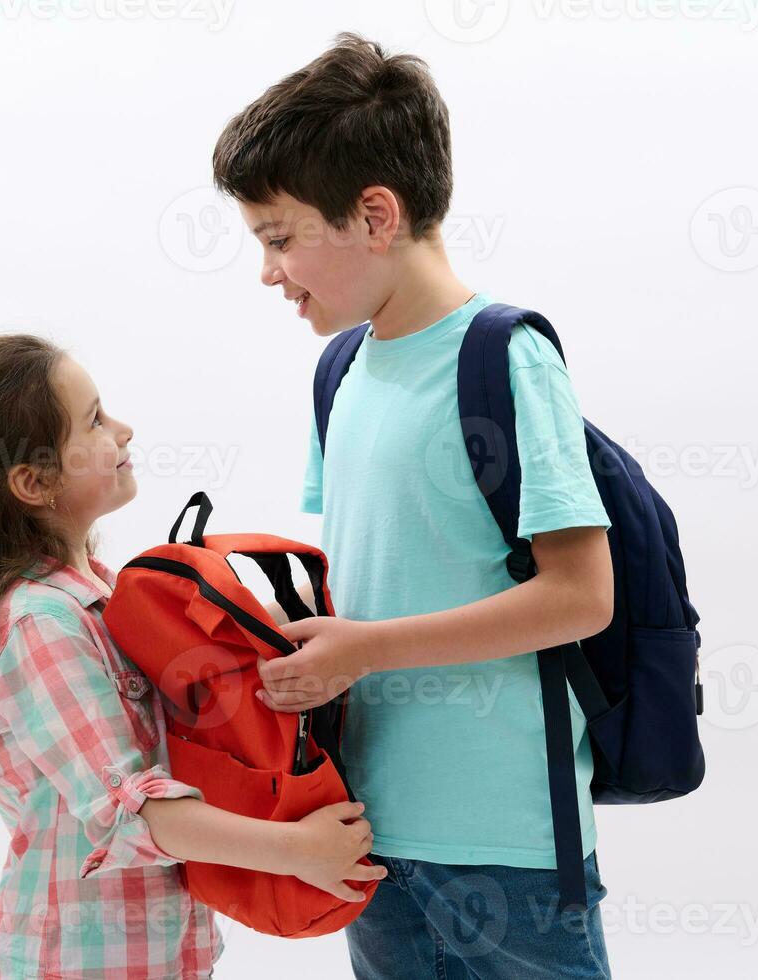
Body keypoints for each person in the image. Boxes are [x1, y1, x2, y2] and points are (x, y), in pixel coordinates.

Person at [214, 34, 616, 979]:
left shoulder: (504, 358)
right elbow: (372, 577)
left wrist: (367, 647)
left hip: (506, 838)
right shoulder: (342, 370)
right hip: (365, 827)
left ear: (374, 214)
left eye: (279, 237)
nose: (269, 271)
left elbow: (579, 596)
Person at [0, 334, 386, 979]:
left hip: (155, 954)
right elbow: (132, 811)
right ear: (33, 481)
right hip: (84, 962)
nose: (124, 430)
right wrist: (299, 850)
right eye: (96, 420)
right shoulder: (36, 624)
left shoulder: (98, 595)